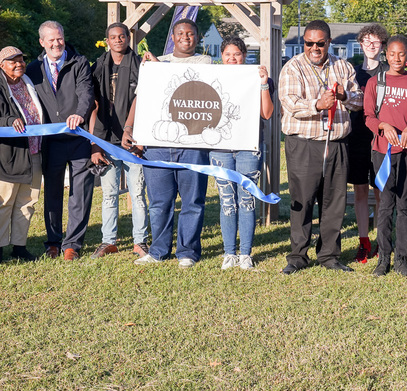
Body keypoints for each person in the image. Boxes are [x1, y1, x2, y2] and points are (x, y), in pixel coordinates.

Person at [278, 20, 363, 275]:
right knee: (302, 201)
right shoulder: (293, 68)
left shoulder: (343, 67)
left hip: (336, 143)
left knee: (334, 202)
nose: (314, 47)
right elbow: (291, 103)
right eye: (309, 43)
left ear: (329, 42)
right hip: (304, 143)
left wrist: (344, 97)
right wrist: (318, 104)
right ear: (303, 42)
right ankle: (297, 256)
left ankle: (329, 255)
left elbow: (359, 101)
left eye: (320, 43)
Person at [129, 18, 213, 268]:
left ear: (197, 38)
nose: (186, 37)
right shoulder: (157, 63)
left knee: (192, 201)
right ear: (173, 38)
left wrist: (157, 69)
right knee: (159, 202)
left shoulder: (205, 62)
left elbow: (186, 86)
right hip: (158, 143)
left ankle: (187, 252)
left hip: (193, 143)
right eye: (180, 33)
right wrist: (129, 127)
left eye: (190, 33)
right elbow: (141, 98)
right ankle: (158, 250)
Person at [25, 21, 95, 261]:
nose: (57, 43)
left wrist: (80, 114)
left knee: (80, 194)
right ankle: (53, 242)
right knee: (52, 193)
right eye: (51, 40)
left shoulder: (80, 63)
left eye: (60, 38)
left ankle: (72, 244)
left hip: (78, 138)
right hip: (50, 142)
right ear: (42, 42)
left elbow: (86, 93)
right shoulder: (32, 69)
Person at [208, 36, 275, 270]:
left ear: (244, 56)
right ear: (222, 57)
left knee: (246, 200)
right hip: (221, 147)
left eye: (237, 54)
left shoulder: (255, 78)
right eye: (227, 54)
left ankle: (245, 253)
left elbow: (267, 113)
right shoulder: (213, 79)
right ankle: (229, 253)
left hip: (249, 147)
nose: (232, 58)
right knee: (227, 200)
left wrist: (264, 84)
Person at [363, 35, 407, 277]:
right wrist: (383, 126)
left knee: (404, 205)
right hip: (382, 151)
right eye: (392, 54)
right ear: (386, 55)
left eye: (402, 54)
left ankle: (402, 258)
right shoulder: (375, 82)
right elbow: (368, 116)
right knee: (385, 204)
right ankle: (384, 259)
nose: (397, 58)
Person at [0, 46, 44, 265]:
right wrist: (8, 121)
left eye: (21, 60)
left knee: (28, 201)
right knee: (3, 202)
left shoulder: (27, 82)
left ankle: (19, 247)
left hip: (33, 152)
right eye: (12, 61)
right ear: (1, 65)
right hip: (6, 155)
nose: (19, 64)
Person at [90, 23, 148, 258]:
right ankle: (108, 240)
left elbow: (147, 100)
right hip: (106, 140)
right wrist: (94, 143)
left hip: (134, 140)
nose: (118, 40)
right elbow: (91, 106)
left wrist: (141, 139)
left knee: (137, 193)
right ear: (107, 40)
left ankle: (140, 241)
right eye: (113, 37)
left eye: (122, 36)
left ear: (127, 39)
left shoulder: (141, 65)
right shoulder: (97, 67)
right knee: (109, 194)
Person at [349, 24, 388, 263]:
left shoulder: (388, 72)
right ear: (361, 44)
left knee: (381, 191)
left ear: (382, 45)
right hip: (357, 138)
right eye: (367, 41)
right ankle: (364, 241)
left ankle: (384, 241)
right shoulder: (352, 72)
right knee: (360, 191)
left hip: (381, 139)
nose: (372, 46)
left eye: (376, 42)